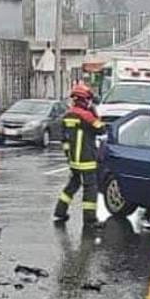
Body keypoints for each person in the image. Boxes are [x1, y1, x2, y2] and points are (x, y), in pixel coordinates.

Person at [54, 82, 106, 227]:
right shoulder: (86, 116)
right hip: (87, 159)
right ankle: (90, 219)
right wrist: (94, 112)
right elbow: (101, 129)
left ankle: (60, 211)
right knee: (90, 188)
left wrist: (68, 156)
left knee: (72, 185)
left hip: (73, 160)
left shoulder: (67, 116)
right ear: (84, 100)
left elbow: (64, 139)